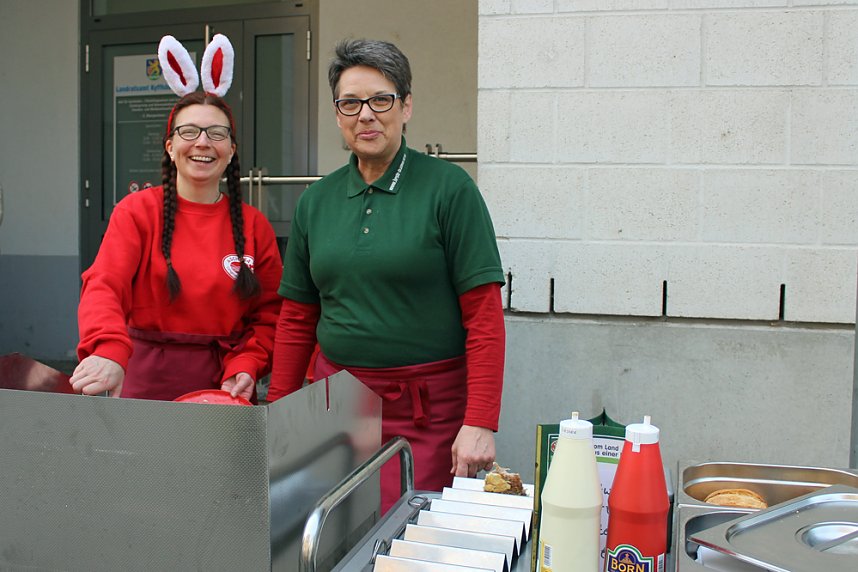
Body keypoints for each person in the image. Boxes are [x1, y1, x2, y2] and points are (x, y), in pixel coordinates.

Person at [268, 39, 506, 511]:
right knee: (336, 531)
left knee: (416, 540)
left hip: (429, 413)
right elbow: (296, 318)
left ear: (406, 106)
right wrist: (280, 413)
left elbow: (484, 317)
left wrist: (479, 420)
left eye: (381, 100)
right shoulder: (317, 201)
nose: (366, 115)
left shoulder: (449, 189)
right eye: (350, 103)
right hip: (337, 409)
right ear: (337, 114)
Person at [71, 35, 283, 402]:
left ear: (231, 151)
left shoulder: (254, 225)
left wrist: (249, 362)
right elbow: (104, 286)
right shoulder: (136, 211)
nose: (202, 142)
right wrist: (107, 348)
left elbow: (270, 314)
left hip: (223, 388)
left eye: (217, 133)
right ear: (170, 147)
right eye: (189, 132)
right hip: (144, 381)